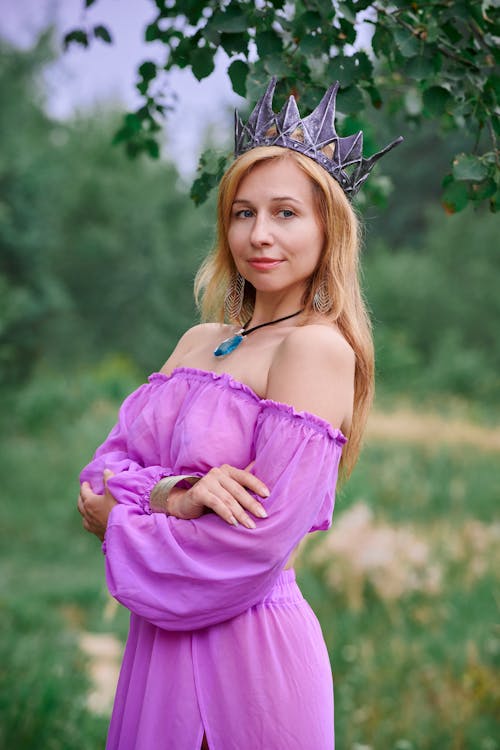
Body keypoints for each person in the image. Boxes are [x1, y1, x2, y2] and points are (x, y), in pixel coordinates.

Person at [78, 77, 402, 750]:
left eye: (286, 213)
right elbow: (99, 477)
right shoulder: (201, 341)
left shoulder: (315, 351)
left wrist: (123, 523)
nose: (260, 234)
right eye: (243, 212)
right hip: (157, 652)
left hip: (249, 661)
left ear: (327, 226)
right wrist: (178, 493)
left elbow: (253, 546)